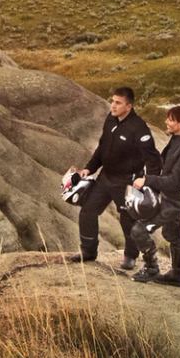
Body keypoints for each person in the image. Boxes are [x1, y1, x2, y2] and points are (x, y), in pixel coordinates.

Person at [66, 86, 161, 267]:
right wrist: (89, 169)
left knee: (128, 220)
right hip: (105, 177)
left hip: (127, 182)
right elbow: (102, 148)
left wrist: (150, 183)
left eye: (118, 103)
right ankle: (88, 251)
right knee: (87, 211)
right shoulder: (111, 120)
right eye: (112, 101)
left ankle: (130, 257)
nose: (113, 106)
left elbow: (153, 159)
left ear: (129, 106)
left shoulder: (139, 129)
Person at [131, 104, 180, 287]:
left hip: (174, 200)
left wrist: (147, 180)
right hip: (168, 196)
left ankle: (151, 268)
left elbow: (175, 181)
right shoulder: (177, 140)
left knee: (139, 230)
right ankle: (177, 275)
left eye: (171, 119)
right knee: (172, 233)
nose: (166, 122)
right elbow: (164, 167)